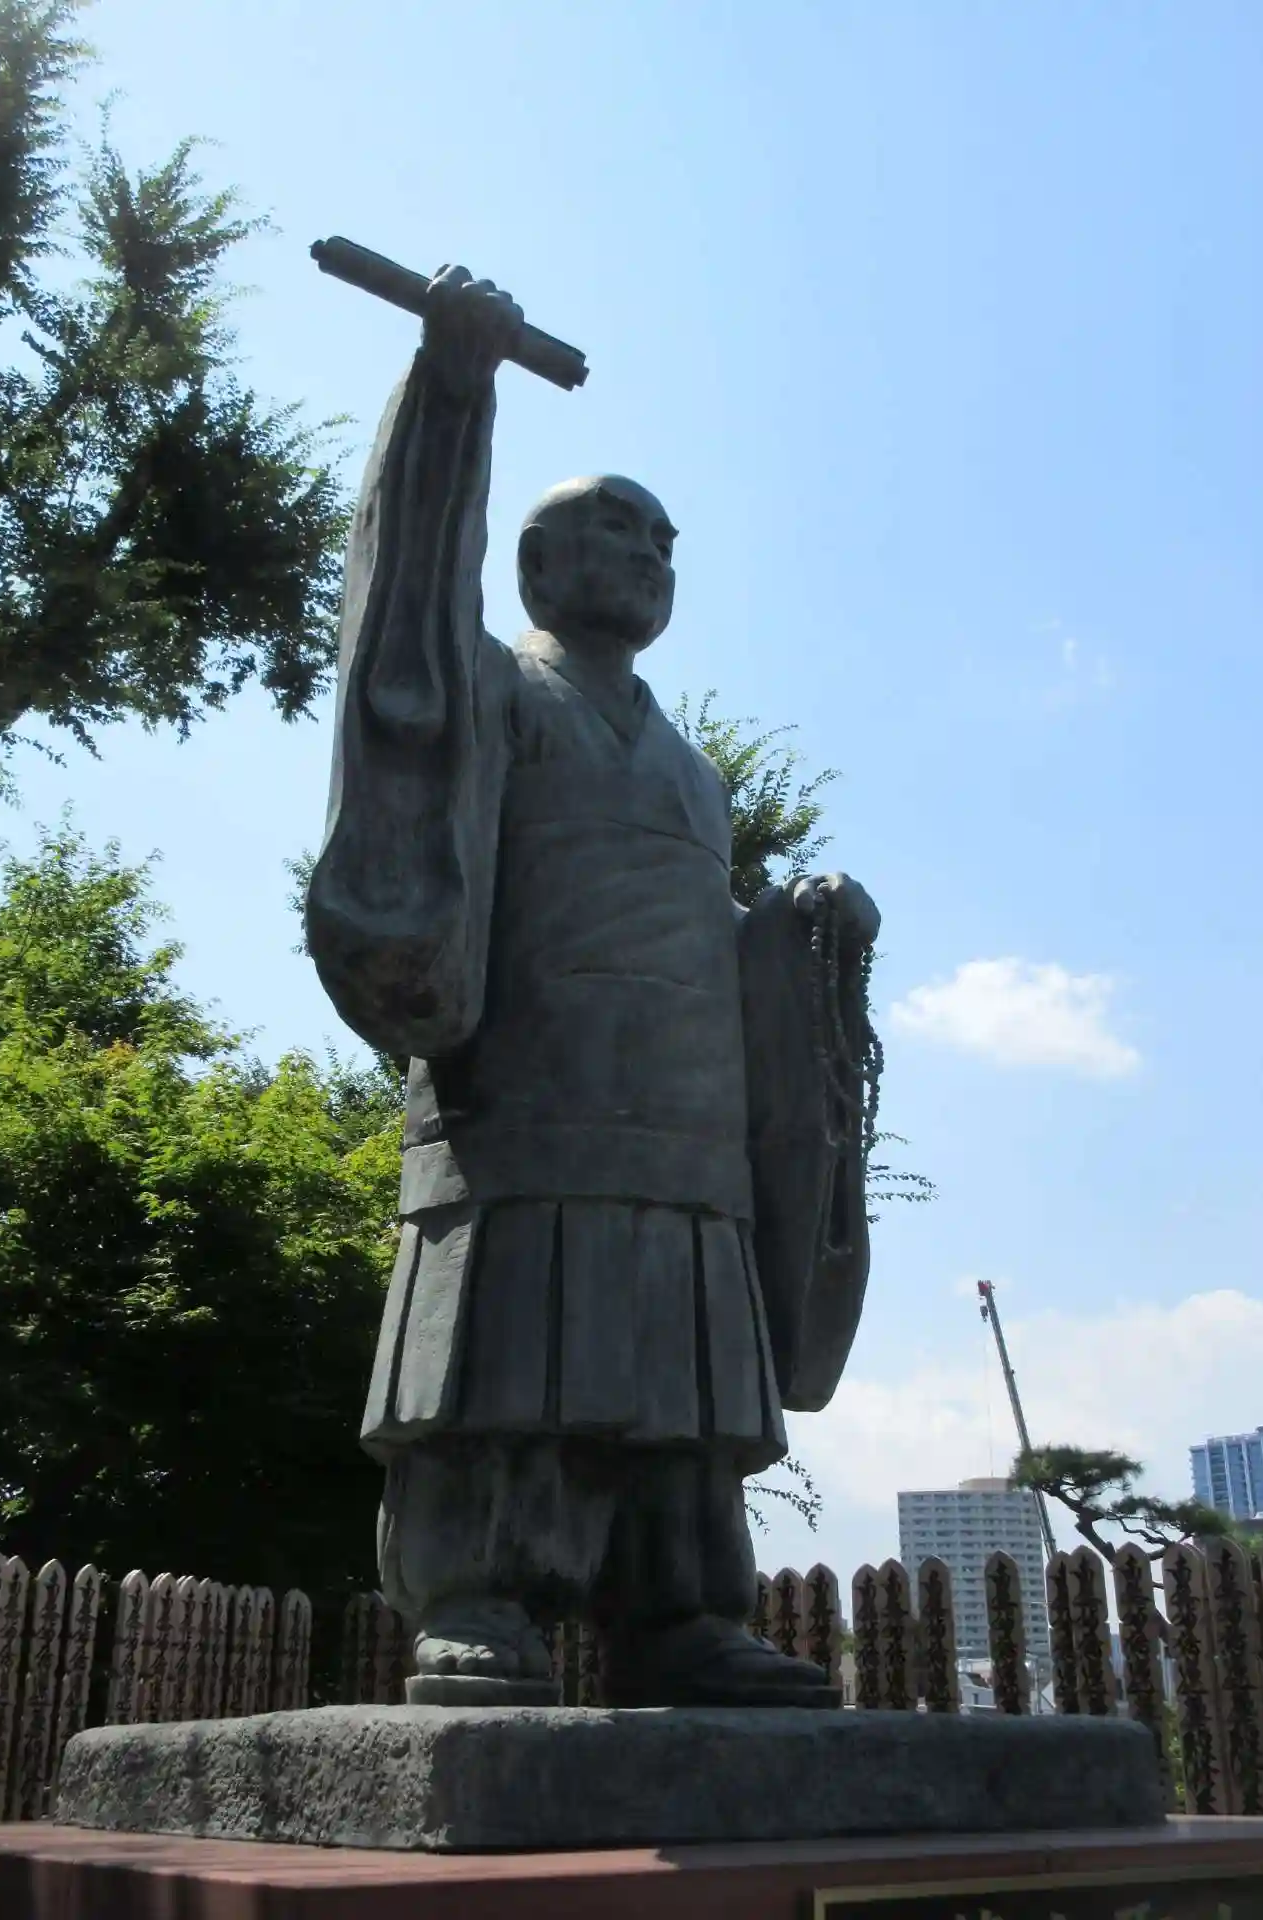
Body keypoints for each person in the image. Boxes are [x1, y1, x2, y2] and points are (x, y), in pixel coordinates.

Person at [307, 267, 880, 1706]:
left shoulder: (687, 766)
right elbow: (402, 628)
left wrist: (797, 935)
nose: (644, 553)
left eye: (662, 541)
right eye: (612, 528)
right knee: (504, 1358)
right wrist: (452, 396)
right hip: (525, 1097)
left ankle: (682, 1614)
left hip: (683, 1129)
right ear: (537, 564)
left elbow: (711, 939)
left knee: (683, 1388)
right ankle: (480, 1598)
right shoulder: (496, 686)